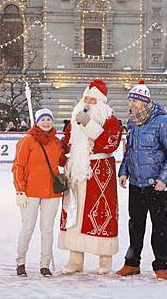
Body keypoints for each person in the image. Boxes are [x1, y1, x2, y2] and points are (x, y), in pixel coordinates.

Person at [117, 80, 167, 281]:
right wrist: (124, 171)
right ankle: (132, 263)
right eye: (131, 100)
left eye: (135, 100)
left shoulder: (163, 122)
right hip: (136, 183)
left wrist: (163, 179)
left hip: (156, 185)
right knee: (135, 225)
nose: (132, 104)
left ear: (145, 102)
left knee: (159, 225)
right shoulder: (132, 122)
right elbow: (129, 152)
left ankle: (160, 264)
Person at [58, 79, 122, 275]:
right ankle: (75, 258)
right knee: (76, 212)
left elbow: (110, 143)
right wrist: (59, 156)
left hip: (100, 170)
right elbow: (66, 142)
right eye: (86, 98)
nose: (87, 102)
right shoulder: (75, 117)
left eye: (92, 100)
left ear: (101, 102)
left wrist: (90, 125)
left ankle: (105, 259)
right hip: (77, 169)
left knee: (100, 213)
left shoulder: (110, 119)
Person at [12, 108, 63, 277]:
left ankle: (44, 264)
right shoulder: (27, 141)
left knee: (47, 229)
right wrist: (20, 190)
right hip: (30, 192)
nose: (46, 122)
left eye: (49, 119)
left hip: (52, 192)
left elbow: (63, 160)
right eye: (43, 120)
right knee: (27, 228)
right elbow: (18, 166)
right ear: (37, 121)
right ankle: (21, 262)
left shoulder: (56, 142)